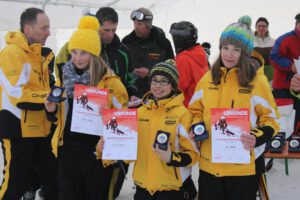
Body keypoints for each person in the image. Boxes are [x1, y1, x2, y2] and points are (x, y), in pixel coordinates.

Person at [188, 16, 280, 200]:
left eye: (236, 49)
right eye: (225, 48)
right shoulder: (208, 79)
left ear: (245, 53)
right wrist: (196, 126)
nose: (229, 54)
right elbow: (194, 110)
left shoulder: (257, 81)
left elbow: (271, 120)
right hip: (209, 166)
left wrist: (255, 137)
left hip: (242, 169)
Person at [46, 16, 128, 200]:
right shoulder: (64, 77)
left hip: (96, 155)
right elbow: (60, 118)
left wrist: (107, 118)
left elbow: (123, 123)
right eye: (74, 52)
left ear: (94, 54)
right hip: (68, 152)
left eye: (84, 52)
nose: (77, 58)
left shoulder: (111, 82)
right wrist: (51, 111)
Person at [98, 59, 198, 200]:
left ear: (173, 86)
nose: (158, 85)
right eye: (154, 80)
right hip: (143, 188)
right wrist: (109, 149)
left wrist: (171, 157)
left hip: (172, 189)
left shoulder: (183, 115)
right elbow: (127, 154)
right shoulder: (139, 113)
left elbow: (193, 155)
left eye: (164, 81)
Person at [0, 7, 58, 200]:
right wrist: (49, 96)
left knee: (53, 179)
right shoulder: (12, 53)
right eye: (44, 28)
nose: (48, 32)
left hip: (41, 128)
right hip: (18, 129)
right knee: (15, 184)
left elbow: (44, 85)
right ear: (27, 29)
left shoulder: (39, 54)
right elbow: (19, 94)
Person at [55, 7, 137, 100]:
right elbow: (62, 72)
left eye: (114, 30)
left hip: (116, 106)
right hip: (84, 104)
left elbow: (131, 78)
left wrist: (132, 94)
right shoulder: (81, 47)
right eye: (106, 30)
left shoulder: (123, 51)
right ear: (97, 27)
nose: (111, 35)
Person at [122, 7, 174, 98]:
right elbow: (121, 68)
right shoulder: (126, 42)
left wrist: (150, 73)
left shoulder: (162, 43)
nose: (136, 27)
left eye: (140, 24)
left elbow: (171, 69)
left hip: (156, 96)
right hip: (132, 95)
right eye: (134, 23)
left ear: (148, 25)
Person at [270, 13, 300, 133]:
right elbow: (274, 57)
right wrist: (291, 66)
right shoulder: (285, 39)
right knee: (284, 120)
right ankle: (281, 145)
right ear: (297, 24)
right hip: (283, 88)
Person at [169, 21, 209, 107]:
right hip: (201, 105)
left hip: (188, 109)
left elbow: (178, 87)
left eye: (174, 38)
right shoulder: (200, 53)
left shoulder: (183, 58)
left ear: (180, 40)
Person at [254, 17, 275, 82]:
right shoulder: (250, 42)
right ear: (256, 27)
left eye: (264, 26)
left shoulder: (274, 42)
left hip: (271, 76)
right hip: (255, 74)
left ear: (267, 27)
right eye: (259, 26)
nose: (261, 28)